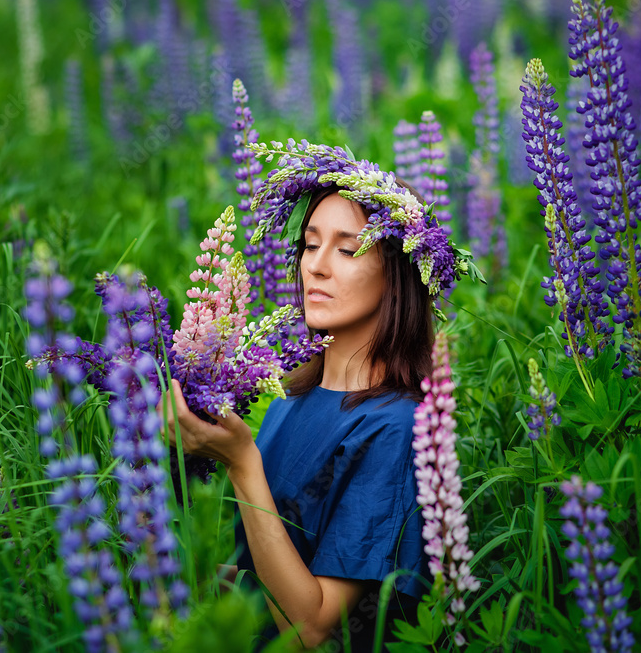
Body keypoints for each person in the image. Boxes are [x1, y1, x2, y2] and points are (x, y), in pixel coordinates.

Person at [161, 143, 477, 651]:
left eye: (348, 249)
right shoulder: (287, 397)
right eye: (310, 245)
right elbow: (257, 572)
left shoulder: (398, 426)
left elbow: (311, 628)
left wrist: (242, 462)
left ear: (397, 276)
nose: (317, 266)